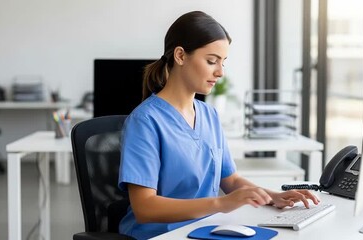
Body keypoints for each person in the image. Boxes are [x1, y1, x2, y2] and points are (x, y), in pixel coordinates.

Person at [118, 10, 319, 240]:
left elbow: (230, 180)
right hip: (161, 235)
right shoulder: (145, 121)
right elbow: (145, 208)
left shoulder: (209, 114)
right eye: (211, 61)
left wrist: (273, 196)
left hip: (205, 229)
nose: (220, 72)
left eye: (223, 62)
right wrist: (220, 203)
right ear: (181, 56)